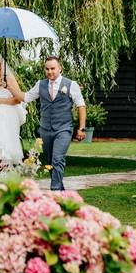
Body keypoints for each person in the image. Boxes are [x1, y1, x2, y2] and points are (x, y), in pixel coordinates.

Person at [24, 55, 86, 190]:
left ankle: (55, 190)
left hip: (63, 128)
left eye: (53, 68)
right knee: (50, 162)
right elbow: (25, 97)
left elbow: (81, 105)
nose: (50, 72)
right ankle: (61, 192)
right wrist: (9, 87)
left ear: (60, 68)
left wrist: (81, 128)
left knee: (58, 159)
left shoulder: (71, 84)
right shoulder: (40, 84)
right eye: (47, 69)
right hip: (45, 129)